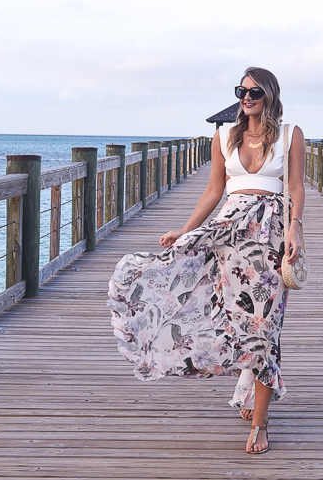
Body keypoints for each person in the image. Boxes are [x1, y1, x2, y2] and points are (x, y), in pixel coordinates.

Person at [108, 67, 305, 455]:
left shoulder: (290, 134)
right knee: (236, 319)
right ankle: (251, 392)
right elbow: (214, 190)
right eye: (241, 91)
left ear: (269, 96)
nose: (246, 98)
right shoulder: (223, 136)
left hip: (269, 238)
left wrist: (294, 230)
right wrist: (185, 230)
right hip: (228, 239)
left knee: (266, 326)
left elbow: (296, 186)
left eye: (254, 93)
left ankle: (261, 423)